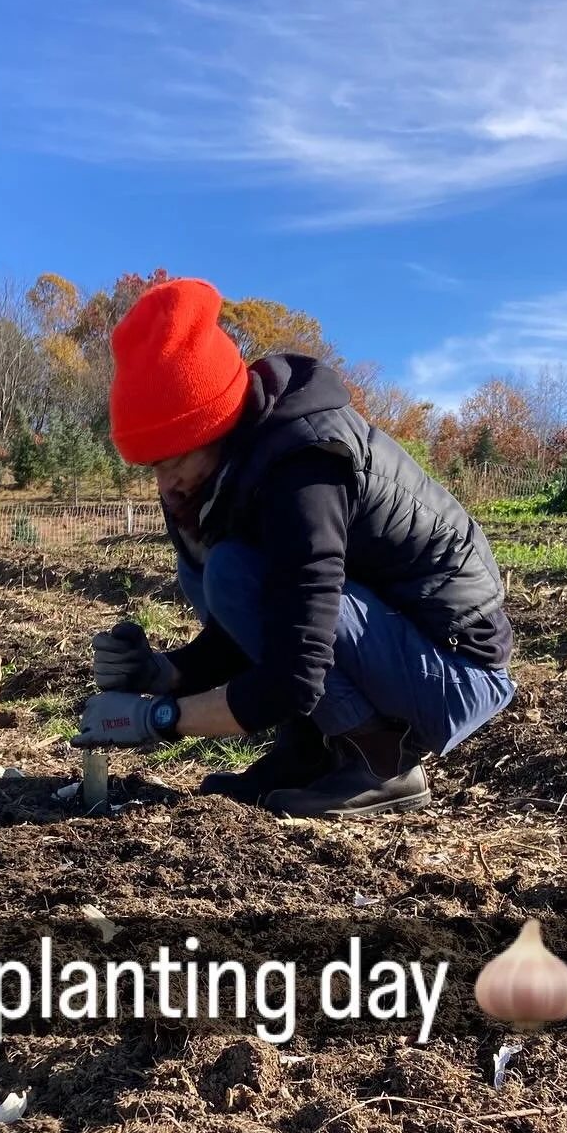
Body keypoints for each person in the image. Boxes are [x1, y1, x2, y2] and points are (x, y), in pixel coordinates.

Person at [73, 276, 516, 818]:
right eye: (151, 466)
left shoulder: (305, 467)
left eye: (173, 459)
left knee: (229, 570)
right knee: (219, 568)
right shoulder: (217, 479)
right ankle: (308, 752)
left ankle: (381, 760)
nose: (165, 484)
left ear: (218, 425)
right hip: (378, 637)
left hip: (453, 669)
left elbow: (294, 670)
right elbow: (261, 626)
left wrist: (157, 719)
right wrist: (160, 673)